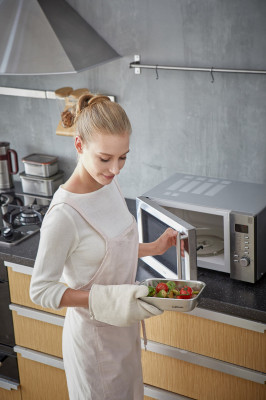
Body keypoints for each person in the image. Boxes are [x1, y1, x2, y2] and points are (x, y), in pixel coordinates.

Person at [30, 93, 177, 400]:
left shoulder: (108, 183)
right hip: (93, 342)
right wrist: (107, 299)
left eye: (123, 156)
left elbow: (105, 249)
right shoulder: (64, 215)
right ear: (79, 145)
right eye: (105, 158)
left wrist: (153, 247)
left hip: (123, 332)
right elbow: (40, 291)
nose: (116, 169)